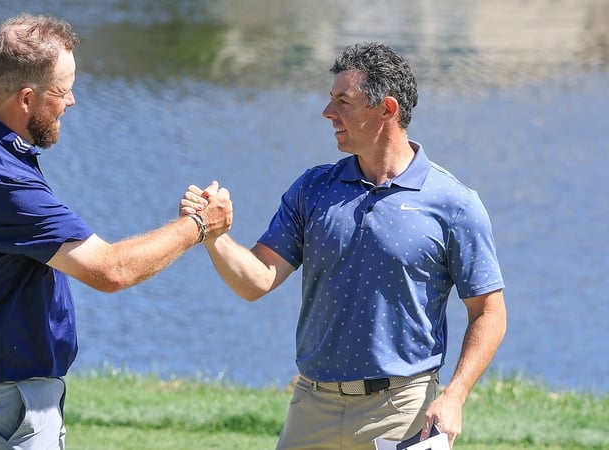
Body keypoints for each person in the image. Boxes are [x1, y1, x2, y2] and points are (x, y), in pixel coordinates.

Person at [0, 13, 232, 450]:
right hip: (3, 404)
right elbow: (110, 270)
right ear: (26, 98)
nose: (72, 101)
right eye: (62, 90)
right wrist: (197, 226)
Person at [184, 42, 506, 449]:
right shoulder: (314, 188)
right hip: (311, 406)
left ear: (387, 109)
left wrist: (455, 395)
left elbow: (489, 312)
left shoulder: (454, 203)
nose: (327, 112)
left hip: (402, 411)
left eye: (343, 101)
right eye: (330, 99)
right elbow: (256, 281)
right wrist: (212, 234)